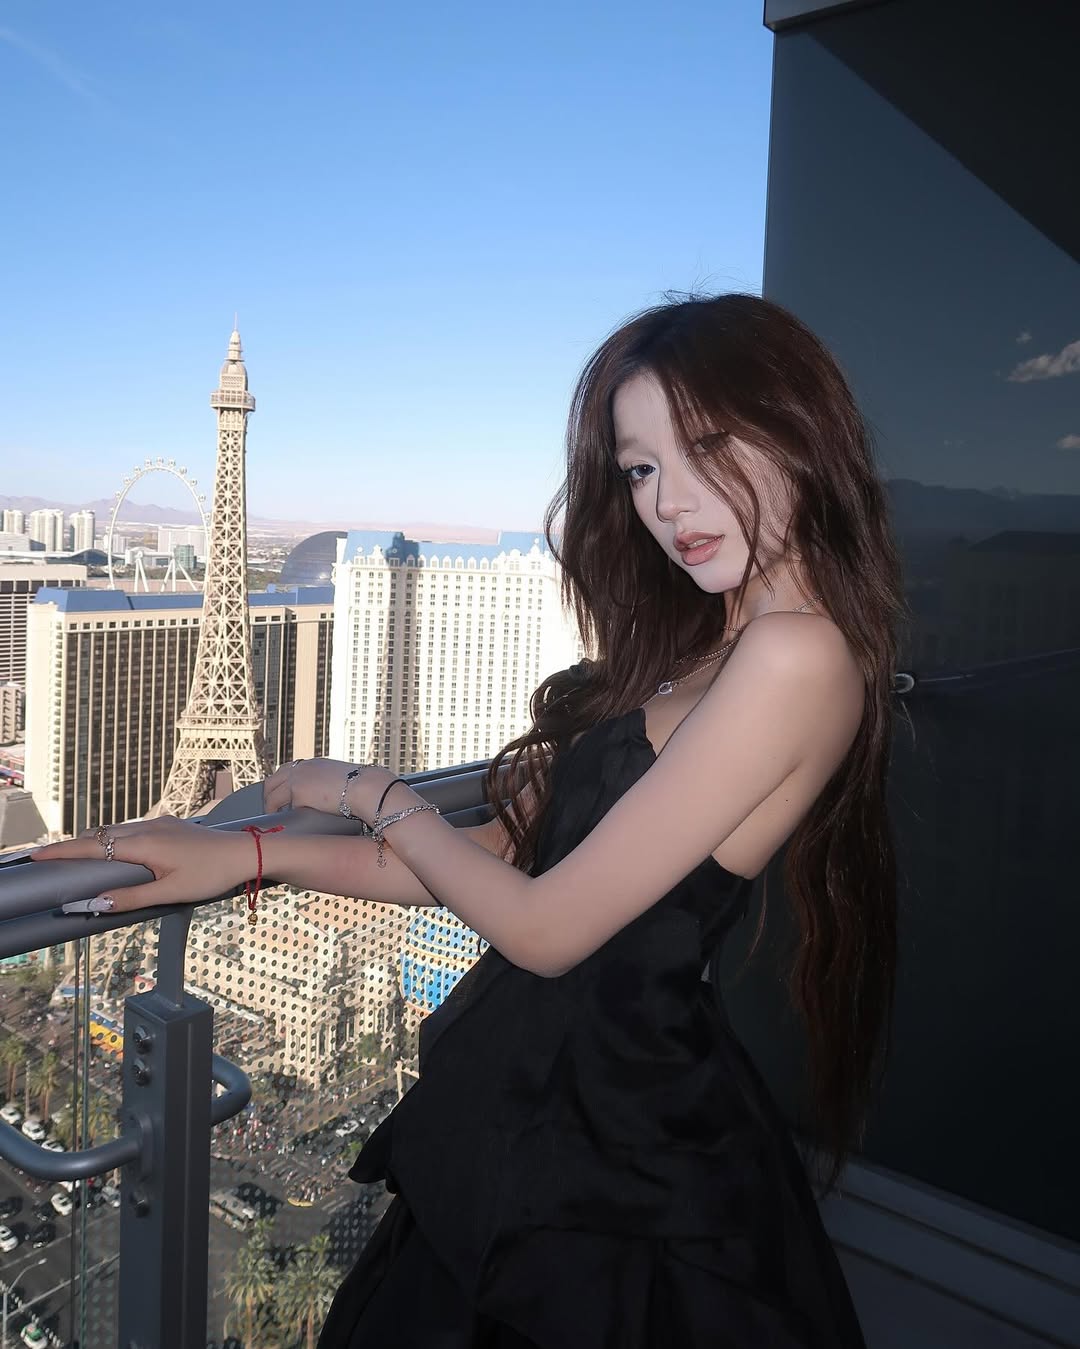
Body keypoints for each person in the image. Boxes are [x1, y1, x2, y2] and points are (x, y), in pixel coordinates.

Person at [35, 293, 905, 1346]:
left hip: (617, 1148)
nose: (670, 500)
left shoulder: (798, 654)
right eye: (640, 468)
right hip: (553, 1106)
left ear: (801, 428)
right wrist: (248, 853)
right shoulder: (707, 648)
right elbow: (495, 858)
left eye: (708, 446)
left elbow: (545, 926)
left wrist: (367, 789)